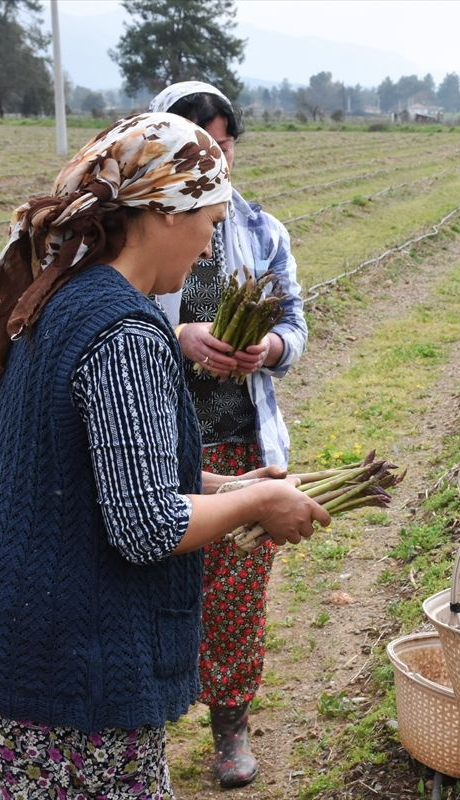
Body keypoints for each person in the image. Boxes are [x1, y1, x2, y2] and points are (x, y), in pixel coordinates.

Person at [0, 112, 330, 799]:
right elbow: (146, 524)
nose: (210, 249)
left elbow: (105, 470)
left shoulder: (63, 292)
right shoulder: (125, 333)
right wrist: (260, 501)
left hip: (7, 666)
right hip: (57, 689)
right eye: (209, 223)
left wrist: (230, 484)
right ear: (166, 214)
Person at [146, 81, 308, 789]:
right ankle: (144, 726)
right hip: (158, 441)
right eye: (201, 145)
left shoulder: (262, 229)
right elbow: (112, 315)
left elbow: (295, 324)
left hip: (241, 443)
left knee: (236, 595)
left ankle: (230, 724)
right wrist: (183, 336)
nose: (218, 157)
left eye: (225, 143)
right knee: (153, 589)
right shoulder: (143, 229)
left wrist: (267, 349)